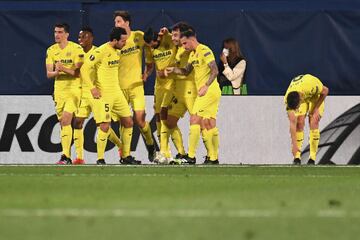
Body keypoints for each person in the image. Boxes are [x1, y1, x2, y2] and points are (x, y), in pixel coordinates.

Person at [80, 27, 139, 165]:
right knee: (105, 125)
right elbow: (84, 69)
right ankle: (100, 159)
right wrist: (92, 88)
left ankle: (126, 156)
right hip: (104, 94)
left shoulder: (117, 52)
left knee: (129, 122)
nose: (124, 44)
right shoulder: (100, 51)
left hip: (117, 93)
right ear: (114, 40)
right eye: (123, 41)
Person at [166, 26, 221, 164]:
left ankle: (190, 156)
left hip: (208, 91)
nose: (183, 46)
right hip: (209, 92)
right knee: (209, 124)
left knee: (194, 120)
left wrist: (206, 86)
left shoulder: (204, 50)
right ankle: (214, 158)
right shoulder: (192, 54)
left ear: (192, 39)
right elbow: (185, 71)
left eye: (185, 43)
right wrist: (174, 69)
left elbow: (215, 70)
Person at [73, 26, 123, 164]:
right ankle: (79, 157)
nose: (81, 40)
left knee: (102, 125)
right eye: (79, 37)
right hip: (82, 93)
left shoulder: (98, 51)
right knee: (77, 122)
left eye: (84, 36)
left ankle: (119, 145)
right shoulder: (76, 52)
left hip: (96, 93)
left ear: (91, 38)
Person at [114, 10, 156, 162]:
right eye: (115, 22)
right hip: (119, 87)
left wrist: (147, 72)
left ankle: (151, 145)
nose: (116, 24)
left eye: (118, 21)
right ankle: (125, 154)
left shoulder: (138, 36)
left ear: (127, 23)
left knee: (140, 120)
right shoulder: (116, 41)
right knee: (123, 122)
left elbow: (152, 47)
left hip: (136, 86)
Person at [143, 27, 186, 164]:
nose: (151, 47)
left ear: (157, 39)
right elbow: (150, 65)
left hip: (172, 83)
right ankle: (171, 152)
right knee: (158, 116)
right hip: (159, 85)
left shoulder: (168, 39)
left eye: (152, 44)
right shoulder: (149, 48)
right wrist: (146, 74)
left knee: (164, 115)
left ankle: (168, 151)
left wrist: (166, 32)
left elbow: (173, 36)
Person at [45, 23, 83, 164]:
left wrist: (63, 68)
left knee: (67, 120)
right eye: (55, 32)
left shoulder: (76, 49)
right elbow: (49, 74)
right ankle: (67, 156)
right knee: (63, 123)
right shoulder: (51, 50)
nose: (57, 35)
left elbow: (77, 73)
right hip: (59, 90)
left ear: (67, 34)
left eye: (60, 32)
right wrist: (57, 71)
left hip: (74, 89)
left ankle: (65, 156)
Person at [284, 74, 329, 165]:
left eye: (297, 107)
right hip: (302, 93)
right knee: (299, 123)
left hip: (315, 95)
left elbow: (325, 90)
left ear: (300, 100)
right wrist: (294, 145)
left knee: (313, 121)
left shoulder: (311, 85)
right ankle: (297, 158)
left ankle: (312, 158)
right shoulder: (287, 99)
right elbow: (292, 123)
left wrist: (316, 108)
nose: (296, 109)